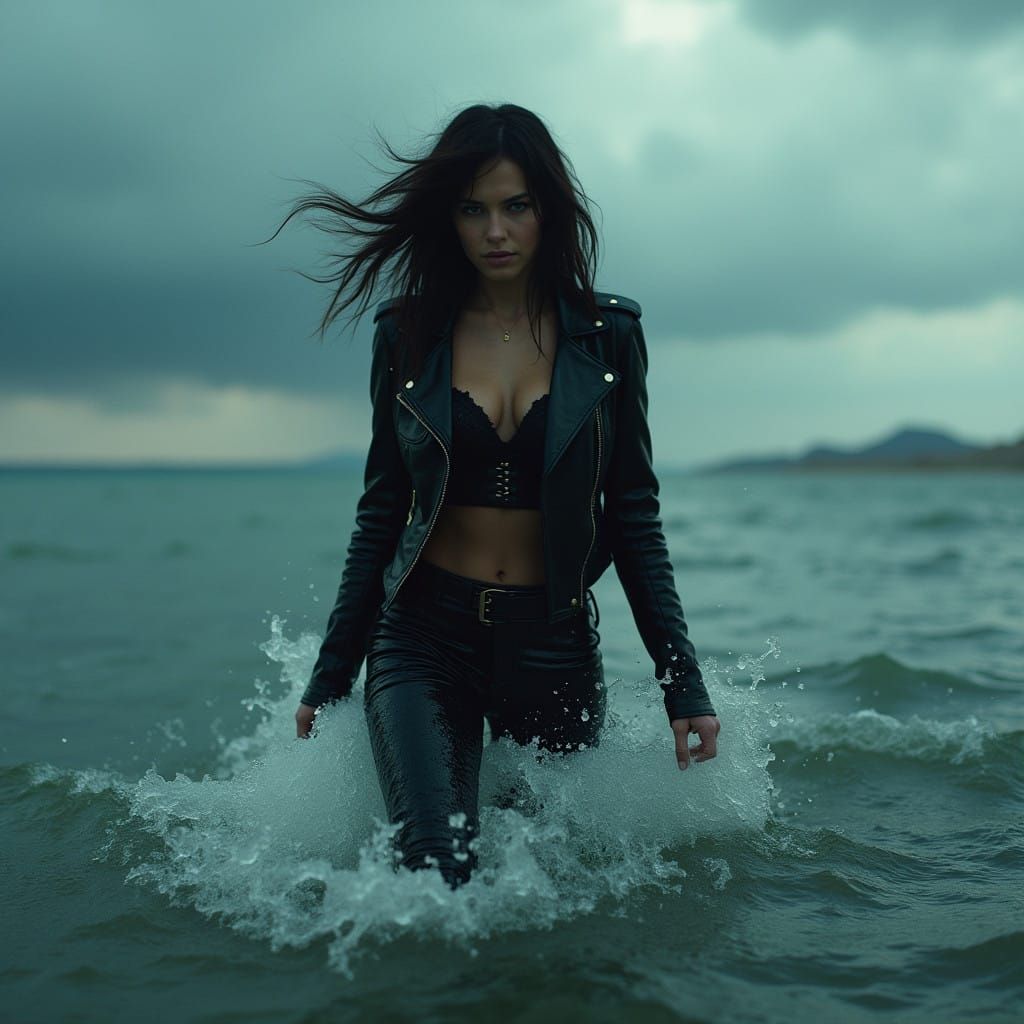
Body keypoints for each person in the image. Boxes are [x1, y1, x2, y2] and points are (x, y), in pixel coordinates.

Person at [272, 103, 720, 889]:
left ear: (548, 210)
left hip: (553, 645)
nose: (496, 231)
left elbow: (635, 515)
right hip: (421, 635)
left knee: (543, 883)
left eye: (516, 206)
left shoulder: (606, 335)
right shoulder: (408, 334)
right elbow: (382, 509)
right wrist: (332, 669)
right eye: (474, 210)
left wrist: (681, 682)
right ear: (450, 220)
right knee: (434, 873)